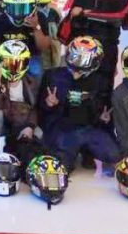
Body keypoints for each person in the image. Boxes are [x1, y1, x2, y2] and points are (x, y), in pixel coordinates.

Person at [39, 36, 120, 171]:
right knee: (60, 167)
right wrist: (49, 104)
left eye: (84, 60)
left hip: (90, 128)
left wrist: (104, 119)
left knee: (114, 154)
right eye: (75, 57)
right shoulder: (53, 76)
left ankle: (87, 153)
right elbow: (41, 111)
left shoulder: (101, 81)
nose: (77, 64)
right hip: (64, 129)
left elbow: (105, 110)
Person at [0, 40, 44, 171]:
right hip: (4, 123)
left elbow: (35, 108)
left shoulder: (31, 82)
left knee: (39, 134)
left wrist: (29, 126)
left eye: (18, 64)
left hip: (23, 121)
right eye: (9, 63)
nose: (13, 68)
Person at [0, 0, 51, 81]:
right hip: (5, 56)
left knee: (37, 71)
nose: (18, 13)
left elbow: (44, 47)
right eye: (14, 8)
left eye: (23, 8)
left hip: (30, 56)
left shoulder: (40, 17)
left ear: (33, 7)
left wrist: (36, 27)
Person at [31, 0, 63, 70]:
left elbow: (60, 33)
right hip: (37, 57)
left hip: (54, 55)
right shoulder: (29, 10)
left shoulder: (55, 11)